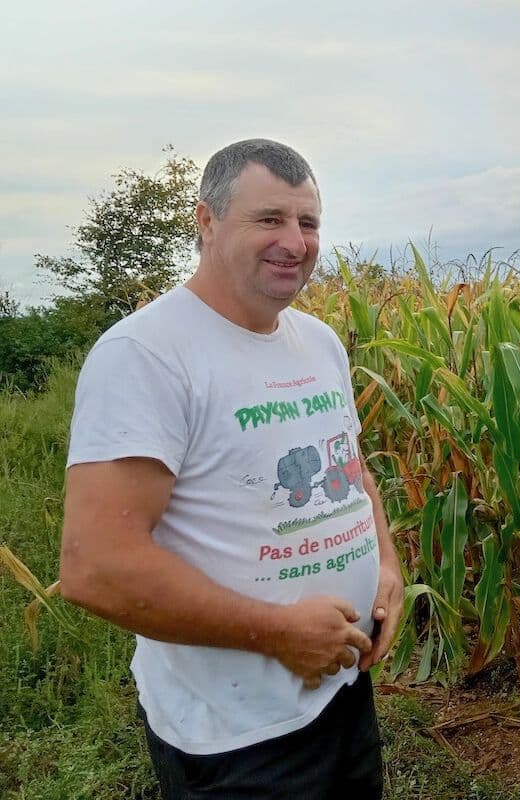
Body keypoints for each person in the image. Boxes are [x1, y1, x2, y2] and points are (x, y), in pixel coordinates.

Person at [59, 138, 404, 798]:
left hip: (342, 695)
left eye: (308, 222)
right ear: (207, 221)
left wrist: (385, 566)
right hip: (235, 739)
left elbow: (352, 473)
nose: (295, 242)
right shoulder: (146, 355)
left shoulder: (320, 343)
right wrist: (276, 633)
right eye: (270, 218)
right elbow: (95, 566)